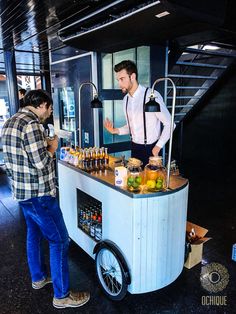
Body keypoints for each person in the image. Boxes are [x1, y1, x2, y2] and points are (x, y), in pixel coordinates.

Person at [1, 90, 90, 309]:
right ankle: (62, 295)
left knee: (33, 233)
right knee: (59, 241)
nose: (49, 114)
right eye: (49, 109)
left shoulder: (10, 122)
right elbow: (41, 162)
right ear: (41, 105)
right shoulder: (32, 125)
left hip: (22, 194)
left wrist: (44, 144)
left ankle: (38, 278)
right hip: (39, 195)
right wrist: (52, 145)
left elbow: (20, 156)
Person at [104, 60, 172, 166]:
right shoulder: (125, 100)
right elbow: (132, 126)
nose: (119, 84)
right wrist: (115, 130)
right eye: (118, 80)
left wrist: (157, 147)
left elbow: (170, 124)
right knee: (134, 180)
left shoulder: (151, 96)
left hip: (151, 148)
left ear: (132, 77)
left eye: (122, 79)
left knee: (151, 181)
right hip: (135, 148)